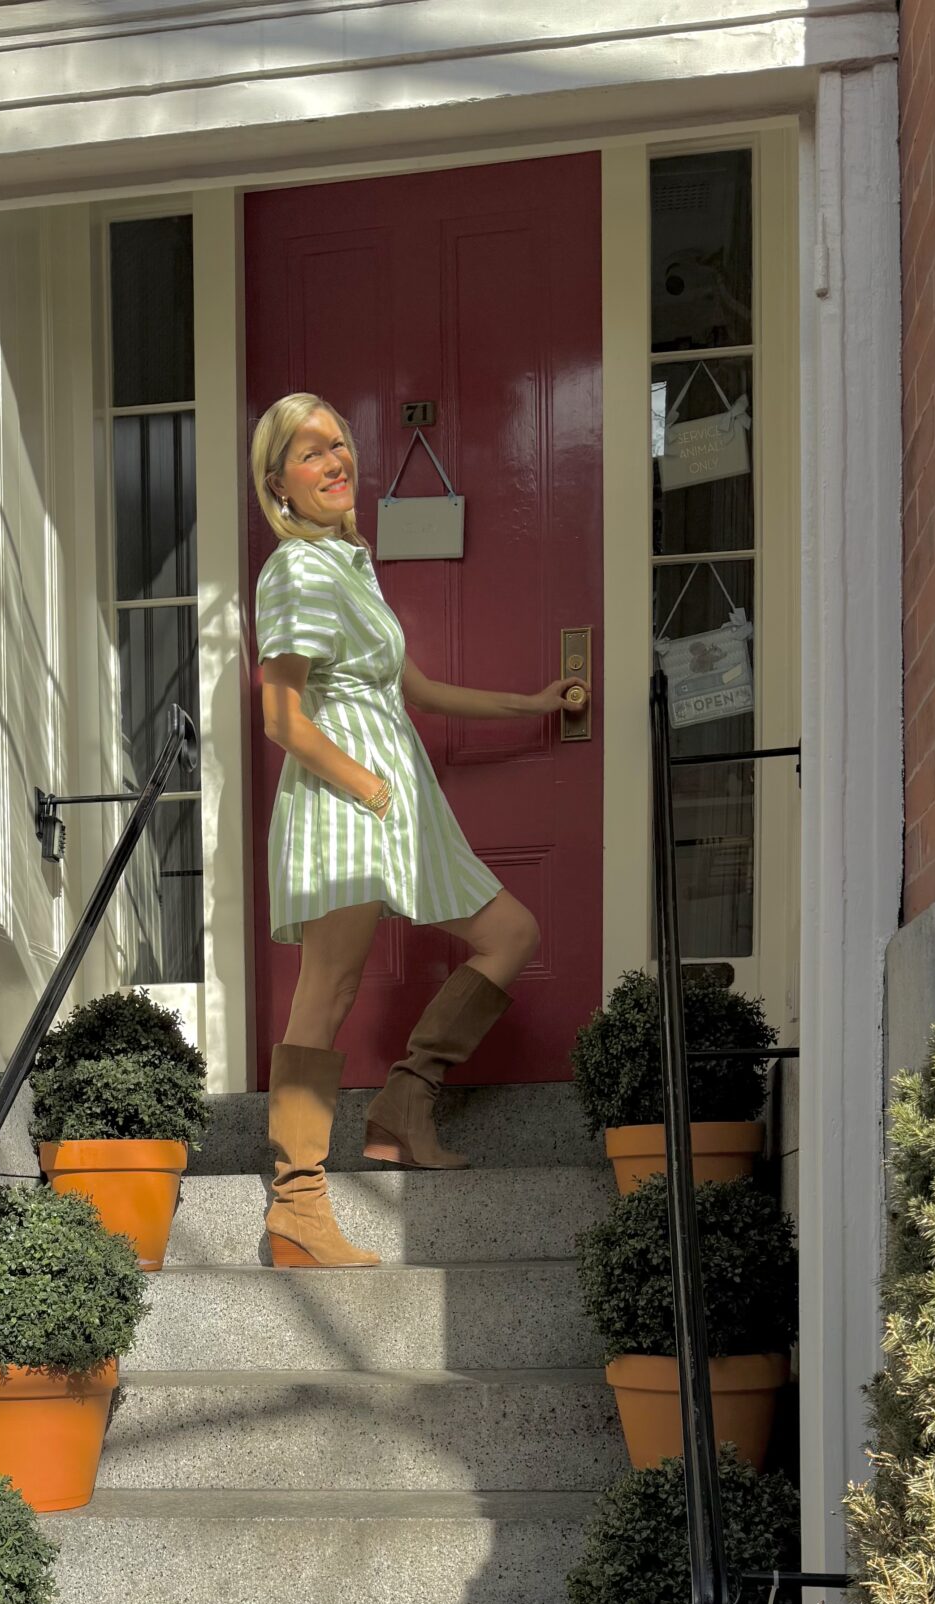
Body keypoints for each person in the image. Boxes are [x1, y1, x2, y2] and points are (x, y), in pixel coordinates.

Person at [251, 392, 588, 1269]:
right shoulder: (293, 570)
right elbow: (282, 718)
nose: (335, 461)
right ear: (278, 485)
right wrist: (363, 784)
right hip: (346, 793)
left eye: (340, 445)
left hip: (401, 799)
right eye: (310, 452)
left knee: (510, 933)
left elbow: (420, 692)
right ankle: (297, 1206)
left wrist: (532, 704)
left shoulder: (350, 567)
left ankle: (405, 1103)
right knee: (330, 983)